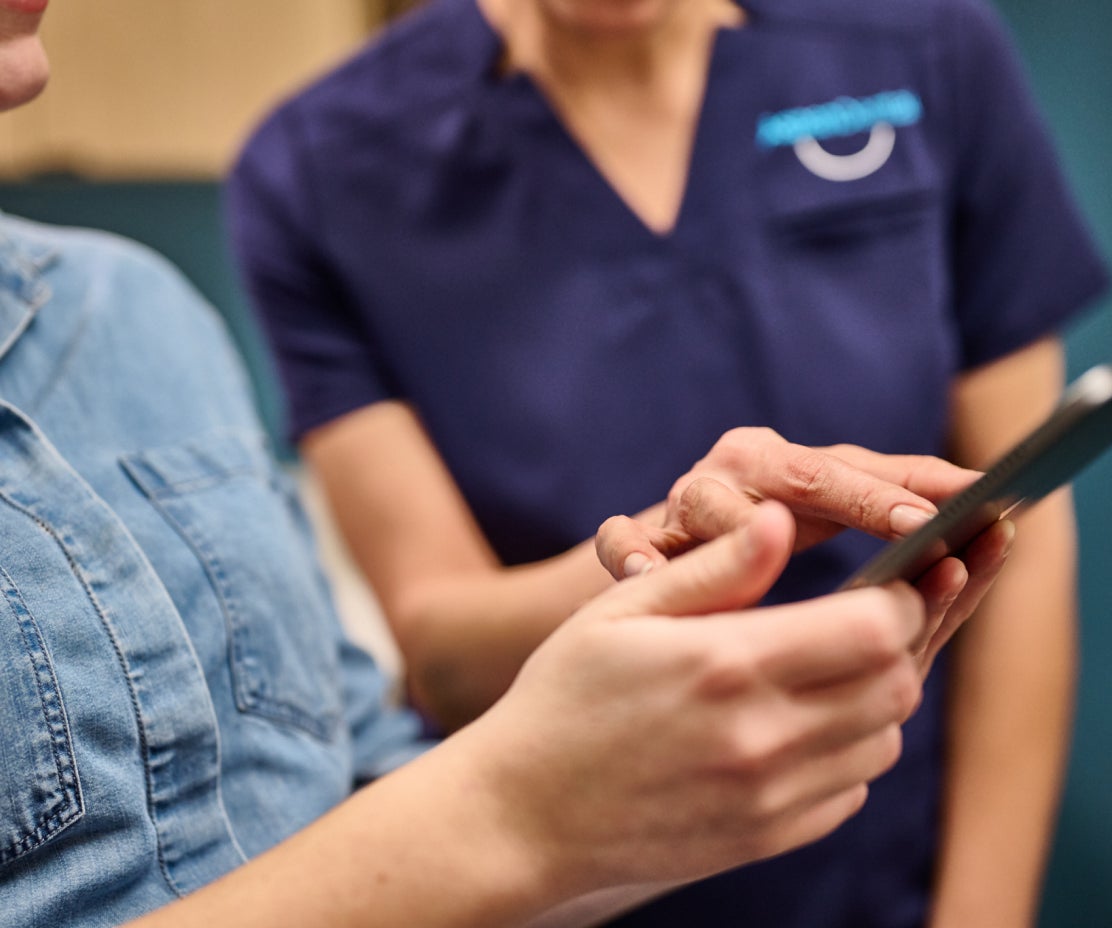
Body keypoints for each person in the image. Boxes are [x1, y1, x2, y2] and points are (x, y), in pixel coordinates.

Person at [0, 4, 1011, 926]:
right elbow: (449, 753)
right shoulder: (322, 165)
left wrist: (670, 575)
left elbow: (349, 781)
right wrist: (513, 812)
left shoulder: (140, 319)